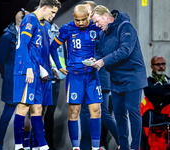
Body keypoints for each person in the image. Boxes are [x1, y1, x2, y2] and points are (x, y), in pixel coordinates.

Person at [90, 5, 148, 150]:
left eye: (97, 22)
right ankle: (124, 147)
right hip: (116, 78)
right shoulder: (103, 34)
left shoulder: (126, 27)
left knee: (133, 111)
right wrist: (95, 60)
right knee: (119, 114)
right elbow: (100, 52)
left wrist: (103, 61)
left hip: (132, 76)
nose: (97, 26)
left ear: (105, 16)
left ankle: (135, 147)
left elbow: (125, 50)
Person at [50, 4, 103, 150]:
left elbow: (104, 46)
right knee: (74, 112)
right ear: (74, 17)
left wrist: (100, 60)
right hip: (75, 76)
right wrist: (59, 66)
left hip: (92, 76)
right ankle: (75, 147)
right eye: (77, 20)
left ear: (89, 16)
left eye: (83, 20)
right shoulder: (66, 28)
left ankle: (96, 146)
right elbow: (53, 46)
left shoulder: (96, 27)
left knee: (96, 110)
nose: (80, 23)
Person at [13, 0, 61, 150]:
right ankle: (19, 145)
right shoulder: (29, 19)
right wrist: (28, 68)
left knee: (38, 109)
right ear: (44, 7)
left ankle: (42, 146)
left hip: (39, 73)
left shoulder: (46, 26)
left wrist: (51, 67)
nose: (53, 16)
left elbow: (43, 51)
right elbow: (22, 46)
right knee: (23, 106)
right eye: (52, 12)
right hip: (27, 71)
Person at [79, 1, 119, 150]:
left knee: (102, 113)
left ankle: (122, 142)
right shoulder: (82, 30)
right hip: (88, 78)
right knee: (86, 113)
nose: (85, 15)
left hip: (100, 78)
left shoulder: (103, 30)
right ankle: (89, 146)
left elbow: (107, 54)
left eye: (87, 12)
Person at [0, 9, 29, 150]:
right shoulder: (8, 37)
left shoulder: (28, 36)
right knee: (6, 117)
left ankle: (23, 146)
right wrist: (7, 74)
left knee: (26, 117)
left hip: (26, 82)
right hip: (12, 83)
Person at [43, 21, 67, 150]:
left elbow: (63, 53)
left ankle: (49, 145)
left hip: (55, 78)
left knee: (50, 113)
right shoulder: (37, 29)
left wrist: (61, 70)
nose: (52, 15)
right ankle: (36, 145)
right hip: (41, 79)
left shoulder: (58, 31)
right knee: (37, 112)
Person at [140, 55, 170, 150]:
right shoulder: (148, 81)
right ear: (152, 66)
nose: (161, 66)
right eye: (157, 64)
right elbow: (152, 92)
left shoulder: (168, 79)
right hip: (155, 114)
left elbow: (158, 92)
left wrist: (164, 89)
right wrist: (167, 89)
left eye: (163, 64)